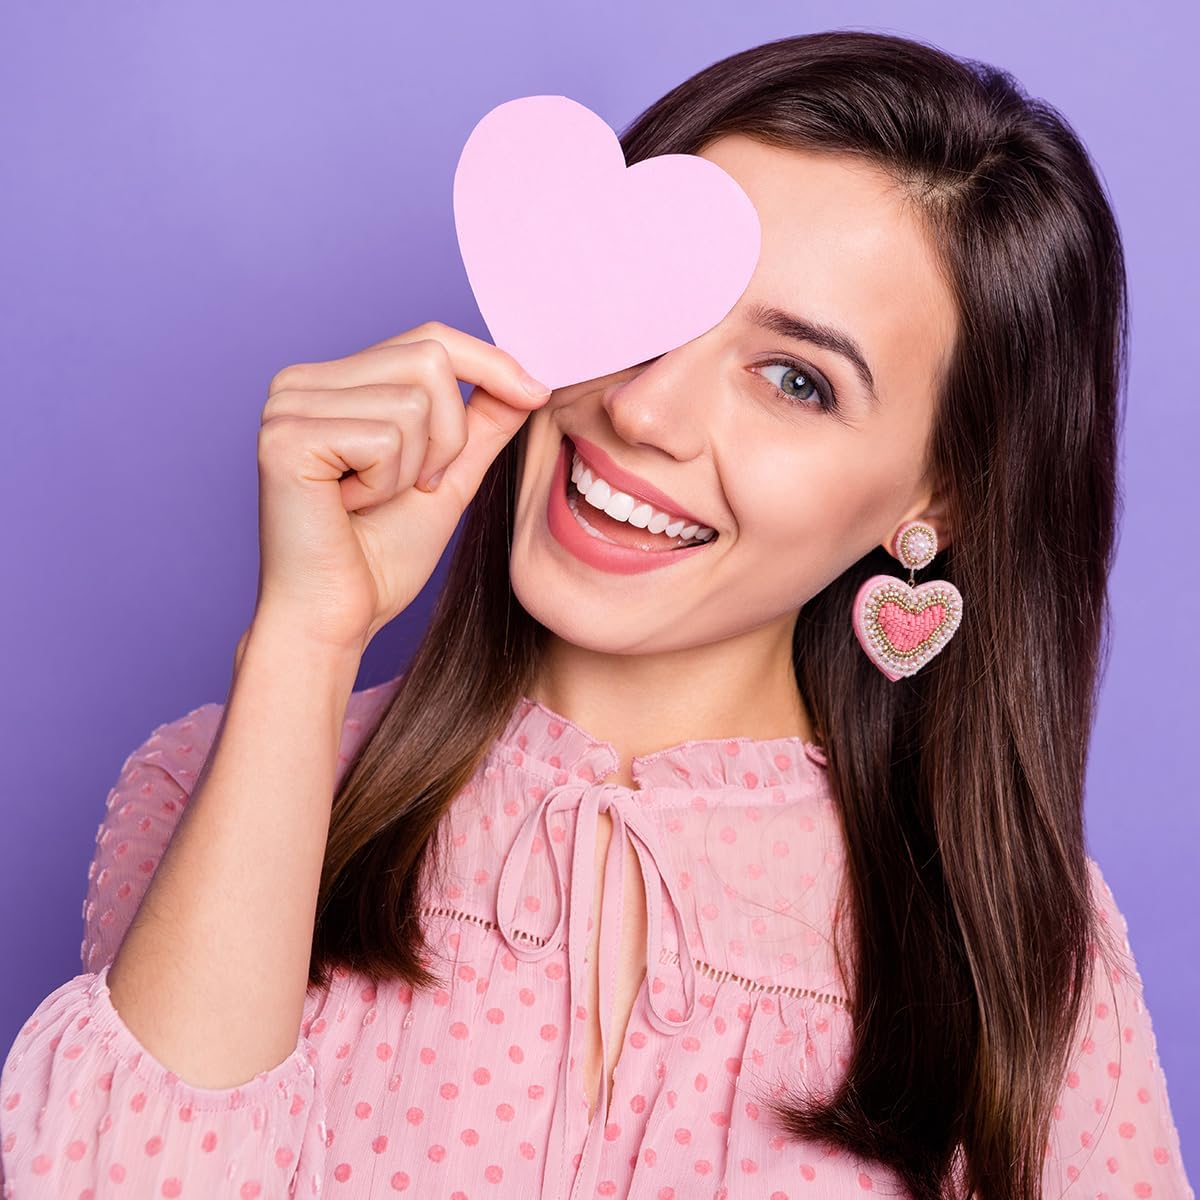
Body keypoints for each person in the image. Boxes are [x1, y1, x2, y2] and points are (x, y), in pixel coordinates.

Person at [1, 28, 1192, 1200]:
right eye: (648, 300)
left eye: (796, 380)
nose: (645, 410)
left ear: (938, 497)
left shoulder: (1028, 951)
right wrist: (306, 644)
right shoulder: (218, 782)